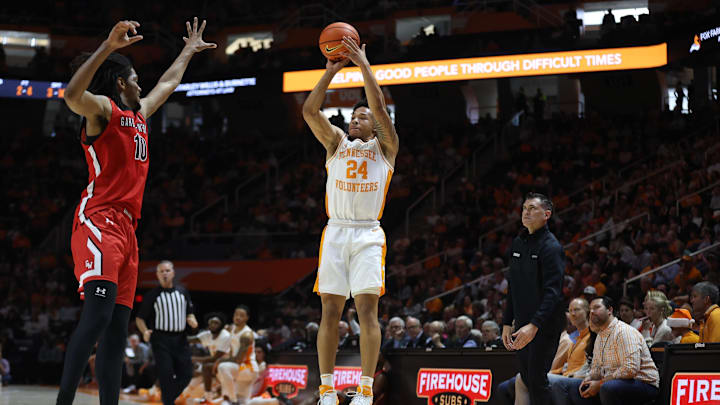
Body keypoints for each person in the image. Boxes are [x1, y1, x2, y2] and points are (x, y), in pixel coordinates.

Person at [57, 18, 215, 405]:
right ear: (120, 83)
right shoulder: (102, 112)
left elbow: (167, 84)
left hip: (128, 231)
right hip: (99, 220)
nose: (142, 83)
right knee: (96, 318)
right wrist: (108, 48)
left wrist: (187, 52)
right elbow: (71, 94)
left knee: (115, 331)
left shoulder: (139, 115)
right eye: (135, 77)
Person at [302, 34, 399, 405]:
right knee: (329, 309)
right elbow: (310, 112)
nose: (356, 120)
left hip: (368, 235)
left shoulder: (386, 148)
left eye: (363, 117)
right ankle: (326, 387)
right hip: (337, 232)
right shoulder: (336, 143)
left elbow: (378, 105)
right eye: (354, 116)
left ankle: (364, 387)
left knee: (367, 310)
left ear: (375, 125)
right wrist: (328, 73)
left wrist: (362, 65)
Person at [500, 193, 566, 405]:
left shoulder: (551, 247)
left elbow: (553, 293)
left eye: (532, 208)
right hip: (522, 323)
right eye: (524, 208)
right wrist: (506, 322)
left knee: (537, 380)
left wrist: (534, 325)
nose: (526, 212)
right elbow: (513, 286)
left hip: (544, 325)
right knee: (528, 379)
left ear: (546, 214)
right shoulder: (518, 243)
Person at [565, 296, 659, 405]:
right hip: (617, 382)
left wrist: (600, 383)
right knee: (576, 387)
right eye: (590, 309)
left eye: (596, 307)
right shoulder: (600, 335)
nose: (591, 312)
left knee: (607, 388)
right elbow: (596, 368)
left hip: (643, 383)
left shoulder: (624, 331)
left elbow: (630, 369)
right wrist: (588, 379)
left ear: (609, 310)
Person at [136, 260, 198, 405]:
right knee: (166, 374)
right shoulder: (152, 295)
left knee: (187, 374)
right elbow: (140, 319)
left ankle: (168, 398)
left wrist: (192, 320)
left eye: (167, 270)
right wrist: (145, 331)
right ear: (157, 275)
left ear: (173, 273)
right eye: (161, 271)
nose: (165, 273)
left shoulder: (182, 292)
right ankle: (168, 402)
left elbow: (189, 313)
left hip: (181, 339)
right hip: (161, 339)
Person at [217, 305, 259, 405]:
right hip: (238, 368)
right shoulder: (232, 328)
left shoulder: (247, 335)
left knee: (222, 366)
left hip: (248, 368)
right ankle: (274, 401)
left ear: (247, 318)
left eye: (242, 315)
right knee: (245, 402)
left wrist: (219, 360)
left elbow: (238, 359)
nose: (238, 317)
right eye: (236, 314)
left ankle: (232, 399)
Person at [188, 313, 232, 404]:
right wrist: (173, 335)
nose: (213, 325)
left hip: (227, 364)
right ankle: (208, 395)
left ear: (222, 325)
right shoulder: (208, 335)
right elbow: (191, 339)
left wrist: (193, 358)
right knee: (196, 368)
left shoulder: (225, 336)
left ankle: (209, 396)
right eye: (211, 322)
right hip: (216, 367)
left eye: (216, 323)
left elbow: (214, 358)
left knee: (207, 366)